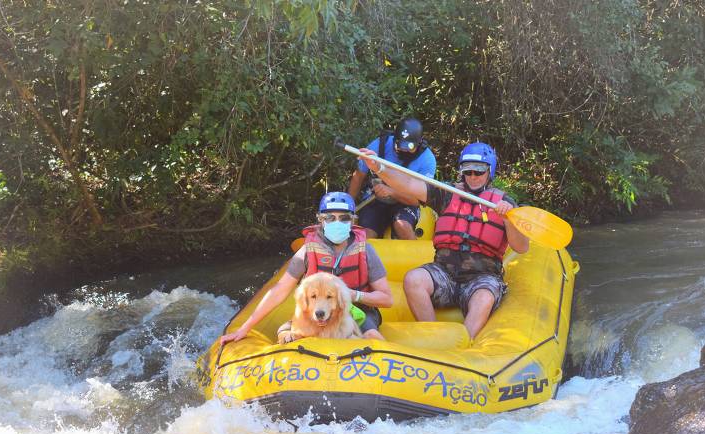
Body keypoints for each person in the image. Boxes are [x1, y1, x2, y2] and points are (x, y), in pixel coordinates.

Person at [358, 142, 529, 339]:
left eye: (479, 171)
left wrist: (508, 219)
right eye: (468, 170)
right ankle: (435, 337)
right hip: (444, 274)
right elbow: (408, 185)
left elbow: (521, 247)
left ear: (489, 171)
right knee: (413, 279)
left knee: (484, 297)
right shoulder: (446, 194)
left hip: (482, 277)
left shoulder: (505, 203)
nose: (473, 176)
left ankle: (465, 344)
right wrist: (378, 167)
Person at [218, 191, 393, 344]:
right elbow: (279, 289)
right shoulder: (307, 251)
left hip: (358, 310)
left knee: (371, 335)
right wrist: (245, 328)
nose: (337, 222)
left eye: (344, 218)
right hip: (317, 310)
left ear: (353, 220)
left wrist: (353, 295)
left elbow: (387, 299)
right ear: (321, 220)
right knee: (285, 332)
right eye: (330, 218)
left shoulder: (366, 250)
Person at [348, 118, 437, 240]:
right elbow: (358, 176)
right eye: (400, 145)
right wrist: (348, 207)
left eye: (410, 147)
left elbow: (418, 201)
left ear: (419, 142)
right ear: (394, 139)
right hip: (375, 199)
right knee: (367, 235)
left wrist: (392, 192)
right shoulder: (379, 145)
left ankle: (419, 257)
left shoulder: (427, 159)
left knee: (402, 226)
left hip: (405, 201)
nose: (404, 150)